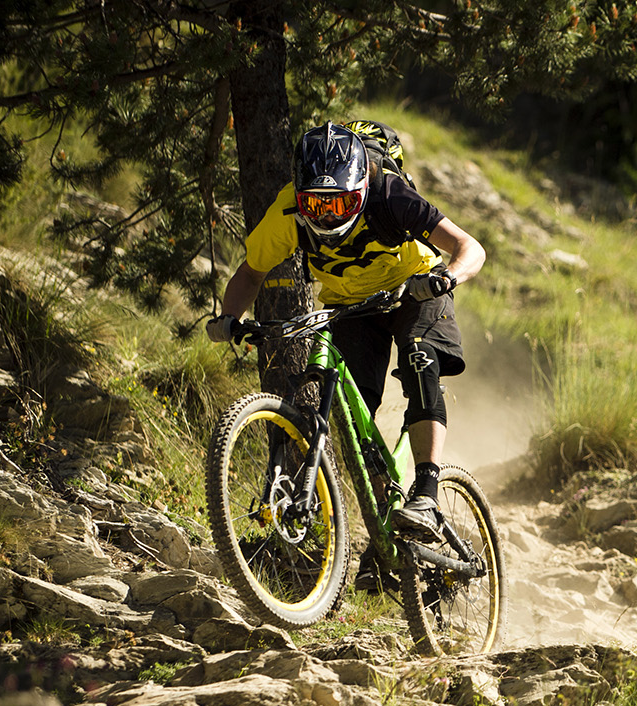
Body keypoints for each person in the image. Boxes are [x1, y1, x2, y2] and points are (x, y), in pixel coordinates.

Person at [207, 121, 486, 543]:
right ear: (300, 196)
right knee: (355, 420)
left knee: (419, 357)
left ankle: (427, 494)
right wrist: (230, 318)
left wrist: (446, 278)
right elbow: (250, 273)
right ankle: (386, 534)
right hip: (350, 304)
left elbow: (471, 248)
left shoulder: (389, 194)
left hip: (415, 288)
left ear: (360, 190)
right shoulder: (287, 212)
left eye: (340, 203)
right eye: (315, 204)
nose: (326, 214)